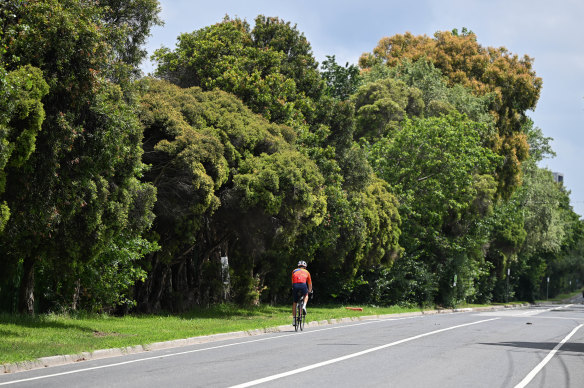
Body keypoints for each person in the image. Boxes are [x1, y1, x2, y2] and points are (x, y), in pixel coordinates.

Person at [292, 260, 312, 325]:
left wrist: (293, 288)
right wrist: (309, 291)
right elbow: (309, 283)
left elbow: (292, 281)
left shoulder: (294, 271)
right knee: (306, 295)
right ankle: (304, 306)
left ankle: (294, 320)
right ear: (305, 267)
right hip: (303, 285)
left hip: (295, 285)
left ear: (298, 266)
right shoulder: (307, 272)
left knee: (295, 302)